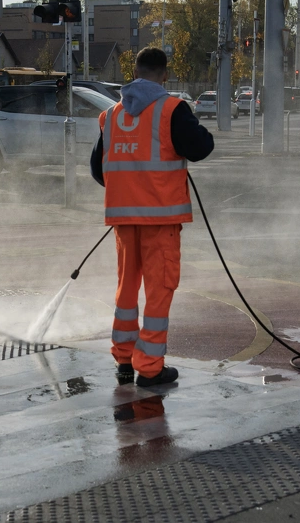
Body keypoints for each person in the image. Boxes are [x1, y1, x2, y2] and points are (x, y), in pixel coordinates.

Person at [90, 47, 214, 387]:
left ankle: (125, 359)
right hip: (160, 220)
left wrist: (130, 185)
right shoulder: (172, 110)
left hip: (124, 221)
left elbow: (99, 170)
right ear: (164, 75)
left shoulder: (112, 115)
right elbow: (201, 147)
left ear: (136, 71)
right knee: (159, 290)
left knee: (126, 290)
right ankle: (149, 366)